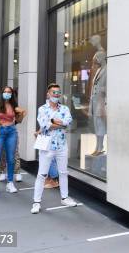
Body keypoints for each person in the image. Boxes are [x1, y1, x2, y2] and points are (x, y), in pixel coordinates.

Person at [31, 84, 78, 214]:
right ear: (48, 94)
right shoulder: (42, 109)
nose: (56, 95)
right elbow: (44, 124)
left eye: (58, 92)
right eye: (53, 92)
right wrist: (58, 123)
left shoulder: (65, 108)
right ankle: (36, 202)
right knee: (42, 174)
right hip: (47, 146)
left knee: (63, 172)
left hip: (62, 145)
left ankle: (65, 197)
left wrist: (55, 123)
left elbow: (68, 122)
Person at [0, 86, 25, 196]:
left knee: (11, 158)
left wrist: (22, 113)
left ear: (12, 94)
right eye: (5, 91)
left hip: (11, 132)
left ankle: (10, 183)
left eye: (9, 92)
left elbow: (18, 121)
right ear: (2, 93)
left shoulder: (14, 106)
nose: (7, 93)